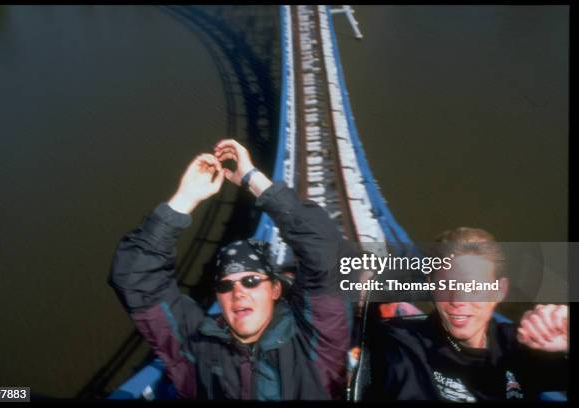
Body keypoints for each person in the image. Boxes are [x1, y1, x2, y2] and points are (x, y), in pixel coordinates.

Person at [108, 139, 351, 400]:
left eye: (251, 281)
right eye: (226, 285)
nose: (238, 292)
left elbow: (327, 253)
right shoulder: (195, 348)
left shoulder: (315, 339)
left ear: (275, 289)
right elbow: (134, 279)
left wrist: (252, 179)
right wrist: (184, 199)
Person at [359, 227, 568, 401]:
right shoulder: (401, 345)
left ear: (499, 291)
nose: (457, 301)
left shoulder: (523, 347)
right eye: (446, 285)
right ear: (431, 286)